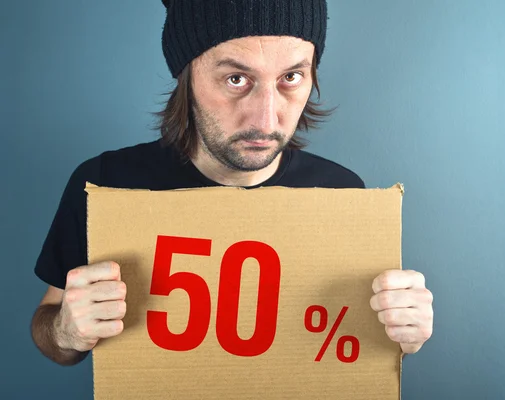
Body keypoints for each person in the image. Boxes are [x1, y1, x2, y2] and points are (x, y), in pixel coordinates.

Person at [30, 0, 434, 367]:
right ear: (186, 77)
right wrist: (67, 330)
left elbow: (349, 346)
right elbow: (51, 328)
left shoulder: (341, 194)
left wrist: (399, 332)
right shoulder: (107, 184)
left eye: (291, 77)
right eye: (236, 79)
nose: (264, 118)